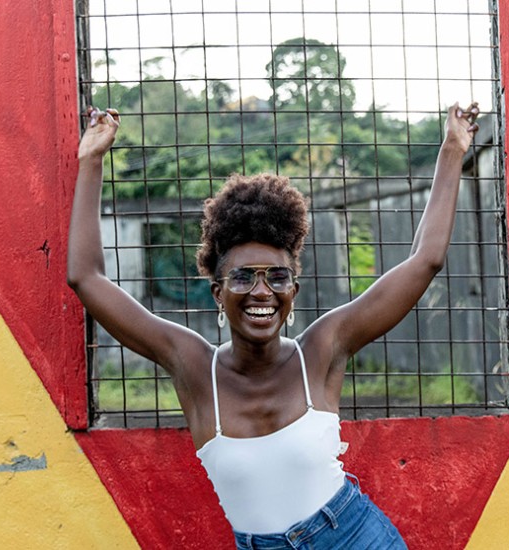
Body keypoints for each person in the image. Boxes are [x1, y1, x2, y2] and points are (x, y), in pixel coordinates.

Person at [68, 101, 479, 549]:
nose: (262, 292)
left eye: (277, 276)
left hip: (356, 538)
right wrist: (91, 160)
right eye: (243, 277)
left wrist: (452, 150)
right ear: (218, 294)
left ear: (293, 292)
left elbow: (425, 260)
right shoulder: (191, 365)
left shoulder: (322, 349)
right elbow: (85, 277)